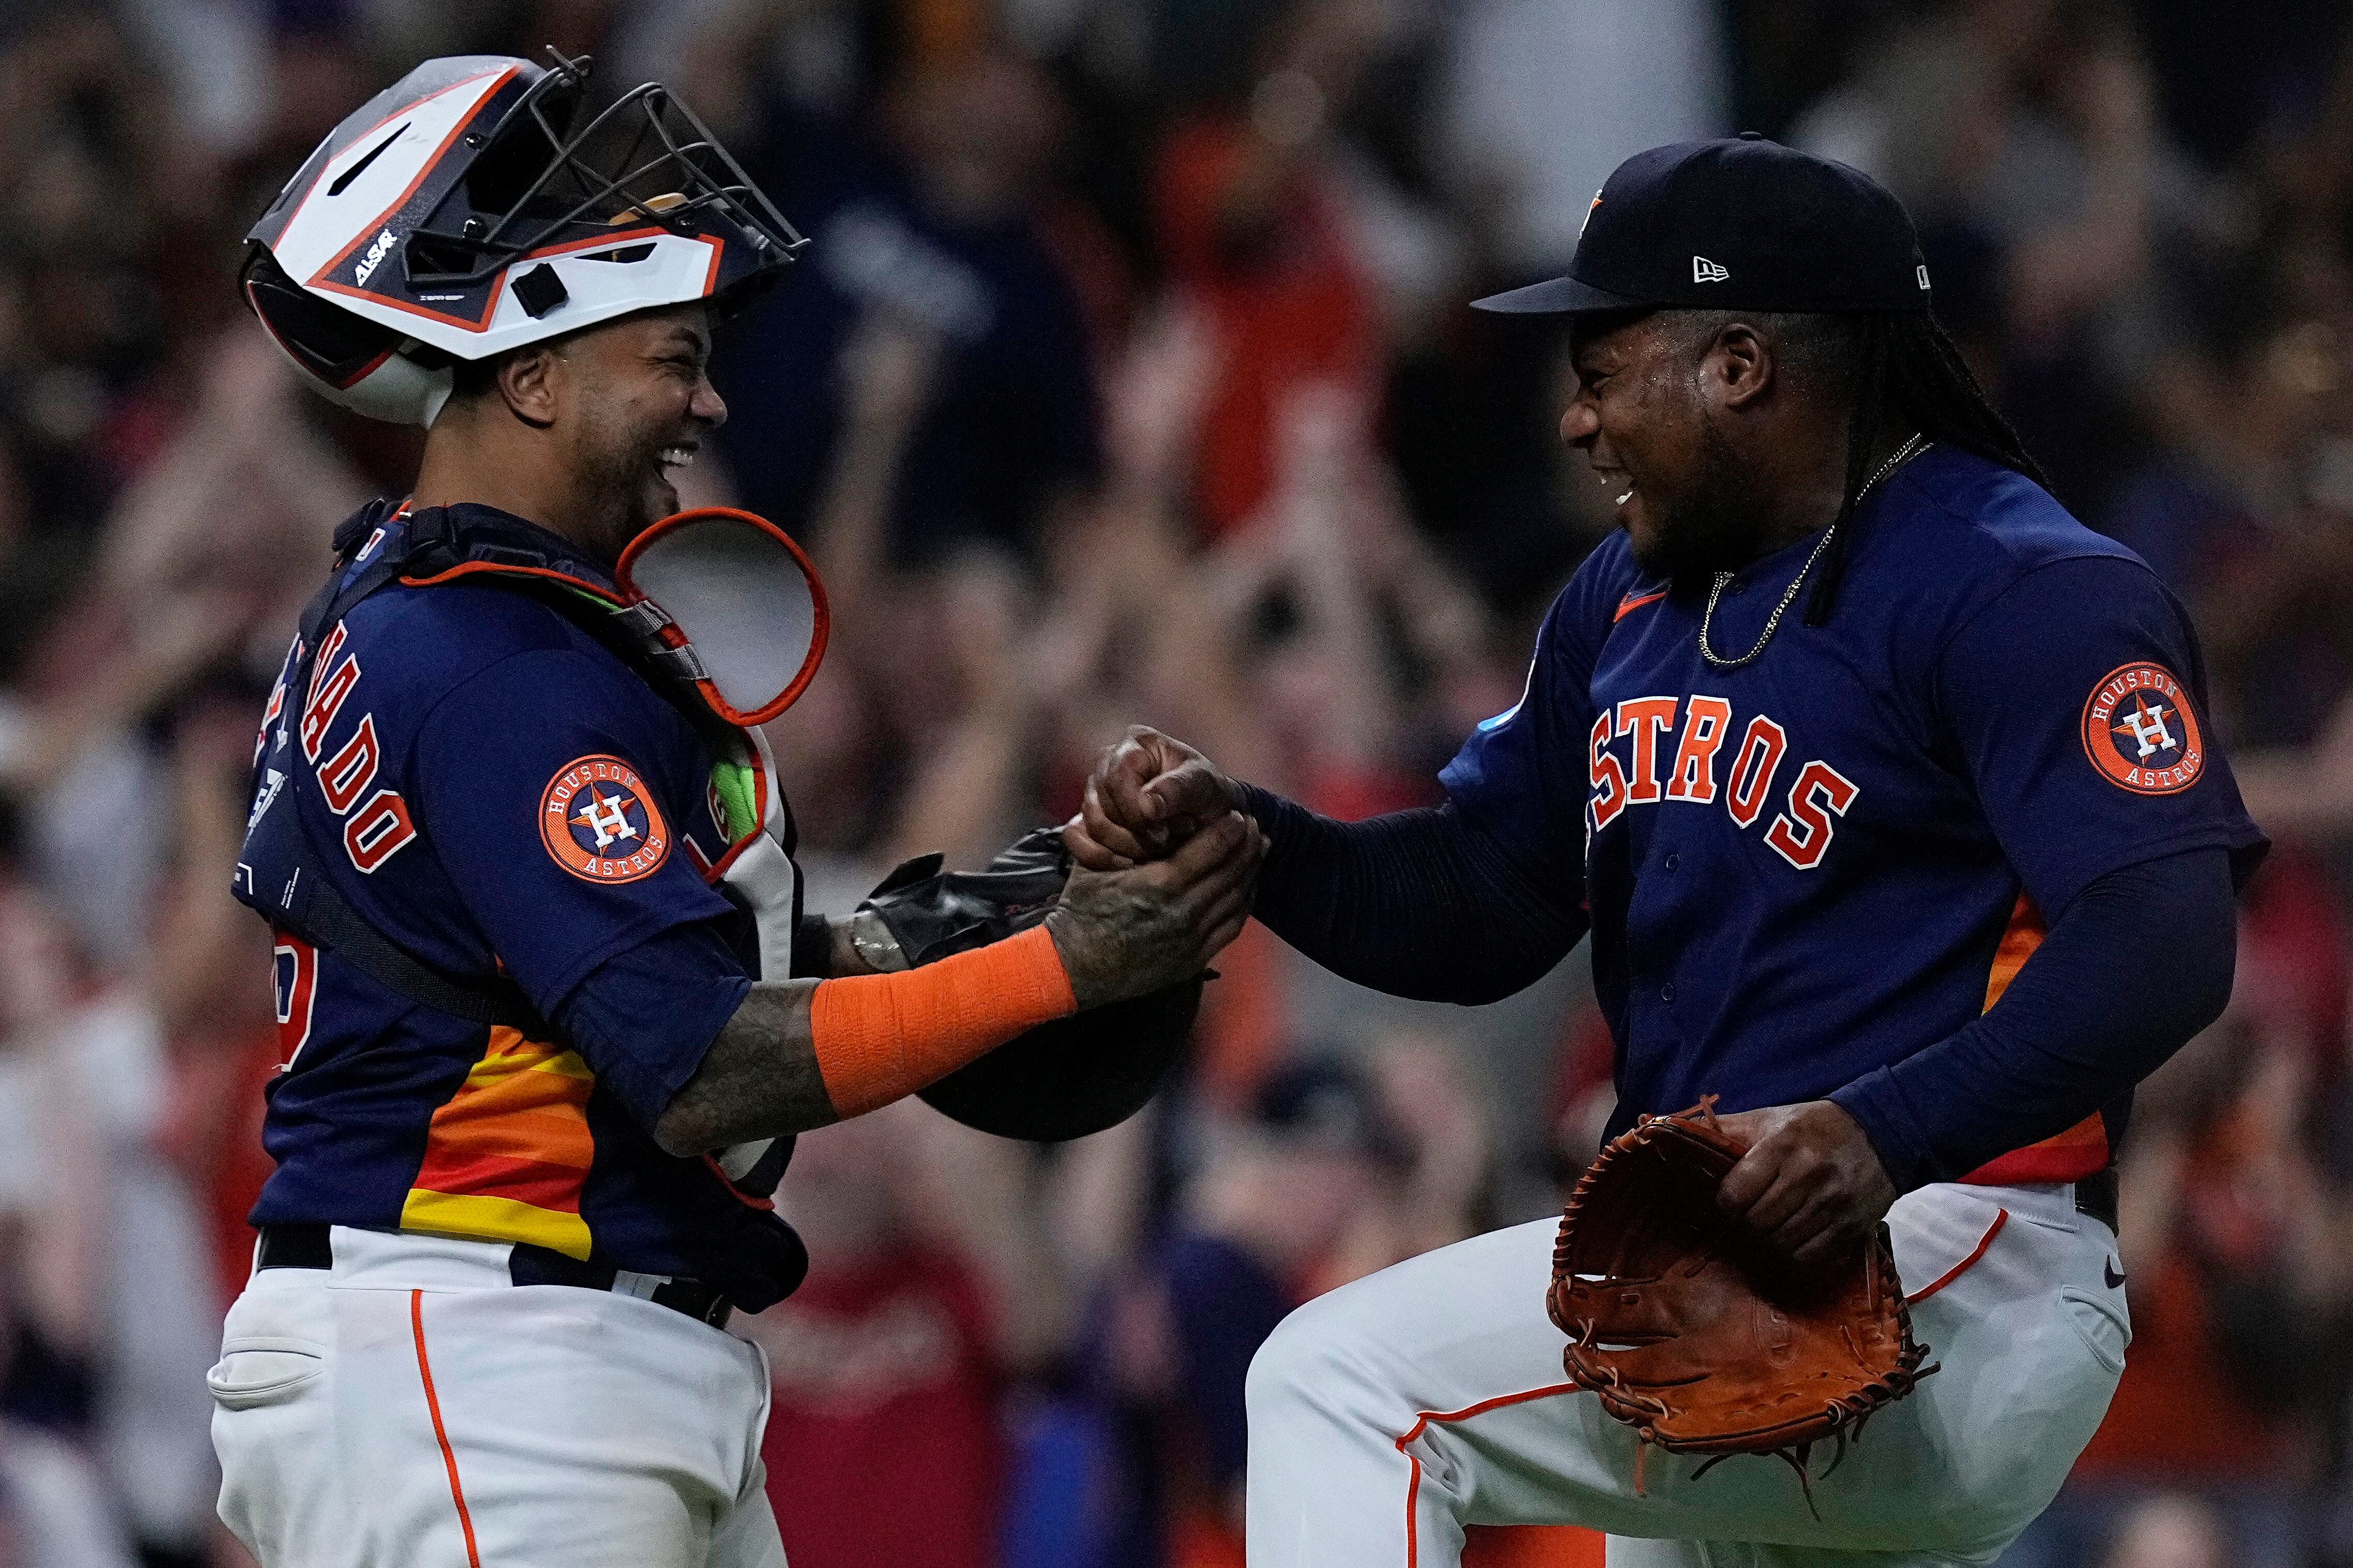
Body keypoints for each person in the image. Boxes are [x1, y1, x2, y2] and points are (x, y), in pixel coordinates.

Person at [1069, 135, 2267, 1566]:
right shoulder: (1625, 599)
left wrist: (1890, 1130)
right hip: (1714, 1281)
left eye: (1601, 369)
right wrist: (1256, 845)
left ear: (1741, 366)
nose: (1578, 424)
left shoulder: (2022, 584)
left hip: (1965, 1253)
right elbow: (1483, 895)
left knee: (1341, 1382)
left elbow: (2164, 930)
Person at [208, 51, 1260, 1568]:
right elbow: (691, 1062)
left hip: (534, 1351)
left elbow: (598, 989)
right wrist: (1055, 964)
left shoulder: (458, 614)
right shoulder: (496, 657)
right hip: (489, 1361)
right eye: (671, 354)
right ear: (532, 374)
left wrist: (884, 944)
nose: (709, 398)